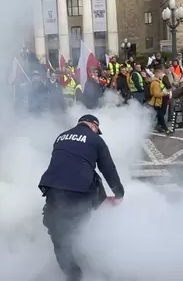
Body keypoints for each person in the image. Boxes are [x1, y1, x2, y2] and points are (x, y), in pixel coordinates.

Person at [39, 114, 125, 281]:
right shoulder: (95, 140)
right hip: (78, 192)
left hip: (52, 190)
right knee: (77, 228)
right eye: (97, 130)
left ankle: (72, 273)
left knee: (58, 233)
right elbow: (108, 169)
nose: (97, 132)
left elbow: (62, 163)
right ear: (93, 126)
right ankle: (85, 259)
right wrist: (119, 193)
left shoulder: (60, 137)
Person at [149, 68, 171, 133]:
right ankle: (165, 128)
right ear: (157, 74)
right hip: (157, 102)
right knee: (161, 116)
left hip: (158, 101)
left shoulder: (156, 82)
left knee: (159, 116)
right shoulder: (155, 83)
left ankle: (159, 127)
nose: (162, 75)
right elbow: (156, 94)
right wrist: (164, 93)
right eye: (161, 74)